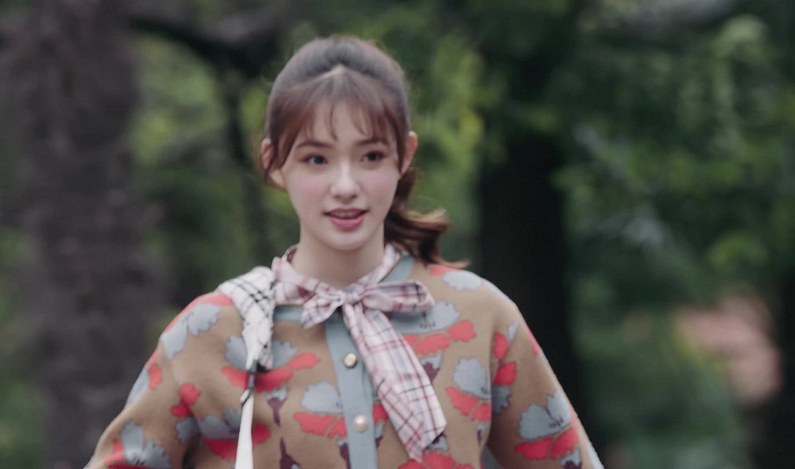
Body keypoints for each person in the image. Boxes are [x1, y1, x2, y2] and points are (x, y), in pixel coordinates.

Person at [86, 36, 604, 469]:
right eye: (317, 159)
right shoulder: (210, 334)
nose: (346, 186)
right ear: (274, 163)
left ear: (404, 155)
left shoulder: (481, 316)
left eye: (371, 156)